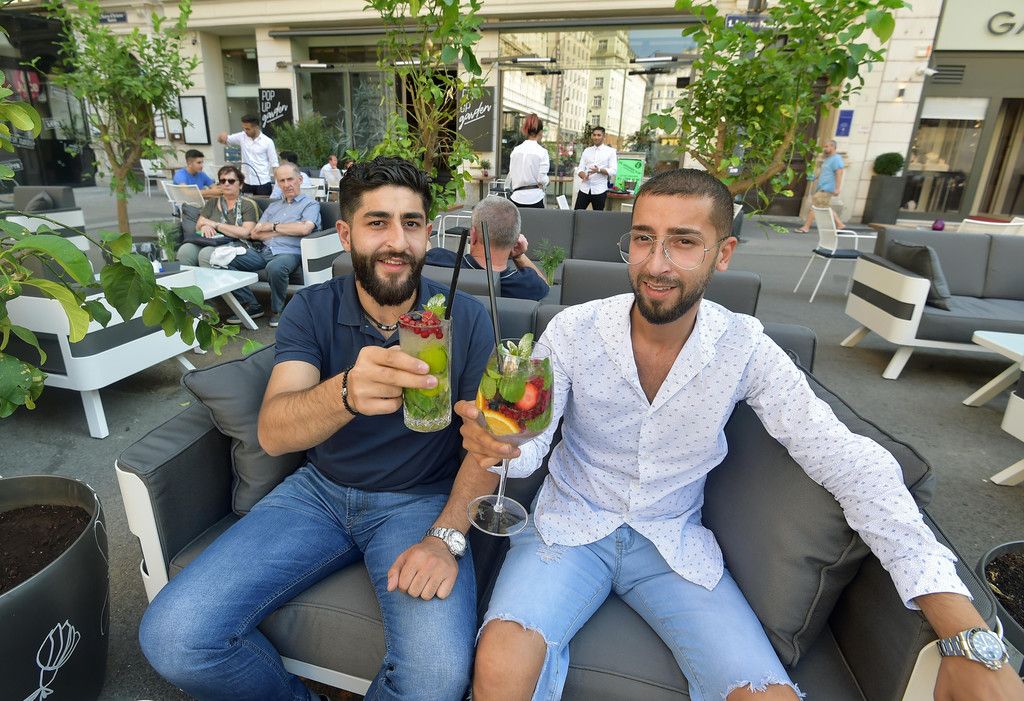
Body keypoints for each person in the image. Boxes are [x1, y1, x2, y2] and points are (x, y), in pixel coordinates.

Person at [456, 168, 1024, 701]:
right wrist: (499, 445)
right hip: (568, 526)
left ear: (722, 253)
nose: (655, 263)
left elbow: (851, 463)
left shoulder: (744, 347)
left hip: (673, 544)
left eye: (683, 242)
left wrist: (962, 627)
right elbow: (529, 445)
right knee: (500, 663)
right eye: (644, 238)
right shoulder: (573, 330)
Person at [138, 156, 496, 701]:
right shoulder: (311, 309)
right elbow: (275, 432)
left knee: (435, 680)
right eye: (377, 223)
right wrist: (345, 392)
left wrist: (446, 536)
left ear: (428, 233)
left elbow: (485, 447)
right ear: (346, 235)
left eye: (412, 223)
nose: (397, 241)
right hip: (317, 495)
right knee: (173, 637)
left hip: (420, 501)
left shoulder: (464, 318)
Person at [226, 162, 321, 327]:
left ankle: (278, 311)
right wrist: (287, 229)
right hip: (264, 250)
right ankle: (251, 305)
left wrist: (273, 226)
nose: (286, 184)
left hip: (290, 252)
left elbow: (304, 229)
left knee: (275, 267)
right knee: (225, 260)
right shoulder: (273, 206)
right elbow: (255, 233)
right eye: (282, 181)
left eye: (290, 179)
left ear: (299, 180)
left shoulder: (310, 204)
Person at [426, 196, 549, 301]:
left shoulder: (437, 260)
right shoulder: (526, 285)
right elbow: (545, 285)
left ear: (473, 235)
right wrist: (519, 256)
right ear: (515, 240)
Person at [176, 165, 259, 267]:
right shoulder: (213, 202)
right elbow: (199, 225)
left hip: (236, 243)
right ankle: (187, 278)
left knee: (207, 254)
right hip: (211, 241)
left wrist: (215, 225)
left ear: (240, 184)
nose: (226, 184)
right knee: (185, 250)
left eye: (231, 181)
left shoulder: (248, 204)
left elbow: (246, 233)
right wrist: (204, 226)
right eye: (222, 181)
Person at [217, 114, 279, 196]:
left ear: (256, 127)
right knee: (245, 203)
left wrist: (278, 185)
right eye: (244, 128)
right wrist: (221, 137)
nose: (245, 131)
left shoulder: (268, 142)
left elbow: (274, 164)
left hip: (263, 183)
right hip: (246, 182)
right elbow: (223, 140)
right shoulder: (241, 136)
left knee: (262, 204)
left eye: (248, 129)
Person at [796, 139, 845, 233]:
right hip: (822, 187)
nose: (824, 149)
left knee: (814, 207)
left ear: (833, 147)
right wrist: (814, 177)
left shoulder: (836, 159)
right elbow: (824, 172)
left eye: (826, 146)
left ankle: (806, 227)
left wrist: (837, 188)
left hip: (827, 188)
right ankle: (840, 224)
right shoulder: (827, 159)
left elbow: (839, 173)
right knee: (825, 207)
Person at [507, 114, 549, 209]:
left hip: (516, 198)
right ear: (540, 132)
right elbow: (542, 179)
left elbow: (512, 174)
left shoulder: (516, 151)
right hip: (535, 198)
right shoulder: (542, 152)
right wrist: (547, 181)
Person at [573, 126, 617, 211]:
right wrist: (583, 176)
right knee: (577, 213)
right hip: (584, 188)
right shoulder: (587, 150)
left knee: (597, 216)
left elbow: (613, 171)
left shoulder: (610, 151)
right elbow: (580, 168)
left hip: (599, 190)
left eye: (599, 135)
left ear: (603, 137)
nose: (596, 137)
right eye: (594, 135)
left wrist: (599, 170)